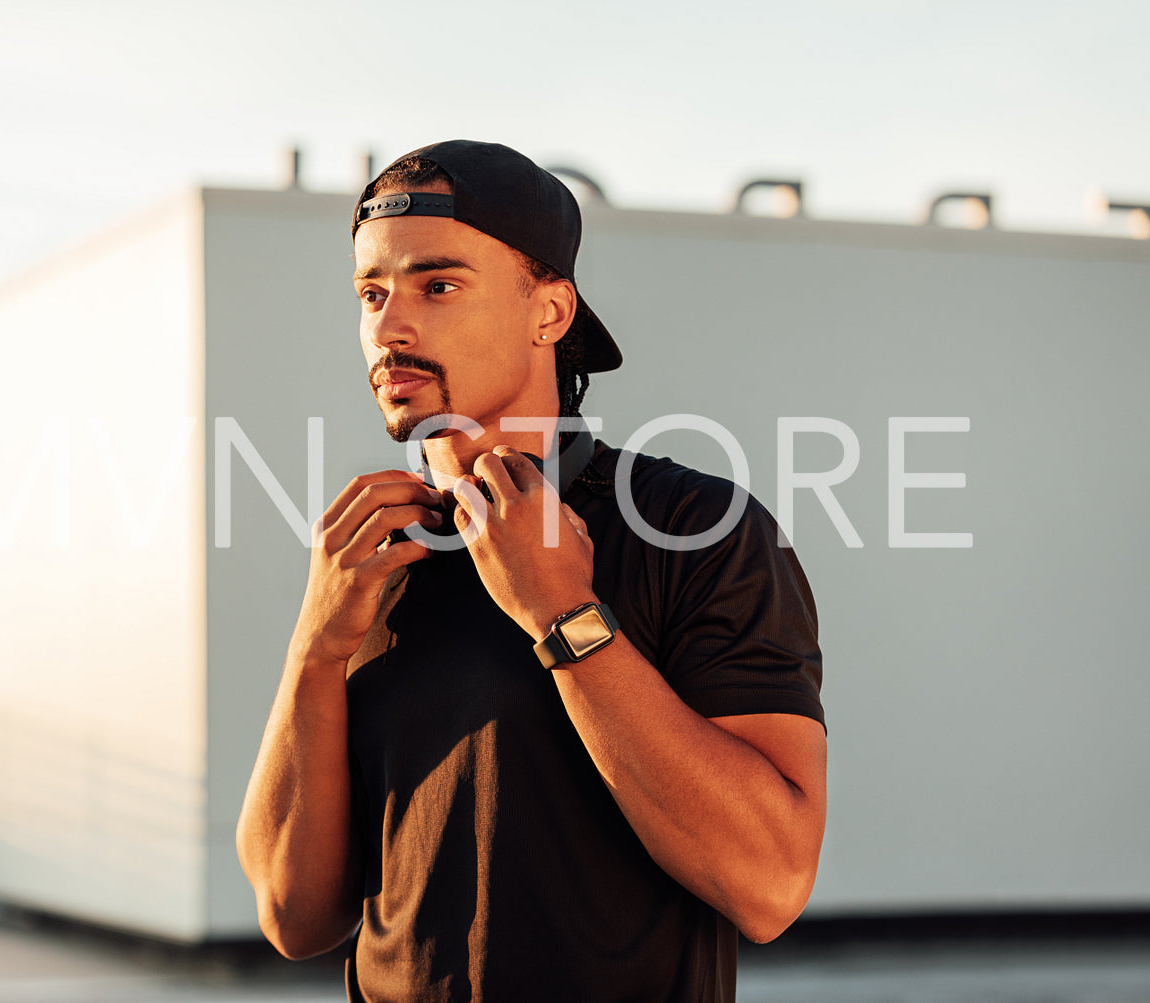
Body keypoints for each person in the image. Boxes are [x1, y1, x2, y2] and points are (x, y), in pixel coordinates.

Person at [236, 139, 827, 1002]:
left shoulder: (692, 526)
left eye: (437, 285)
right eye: (372, 292)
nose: (390, 325)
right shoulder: (371, 556)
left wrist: (564, 613)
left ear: (549, 311)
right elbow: (293, 915)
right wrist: (316, 647)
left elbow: (768, 884)